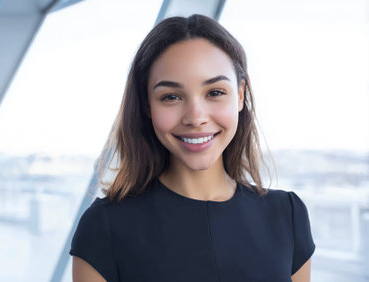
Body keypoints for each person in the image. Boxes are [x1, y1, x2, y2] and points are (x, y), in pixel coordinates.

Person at [70, 14, 315, 282]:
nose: (195, 117)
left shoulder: (287, 216)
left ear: (241, 95)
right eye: (171, 97)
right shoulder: (103, 228)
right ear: (146, 105)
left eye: (215, 92)